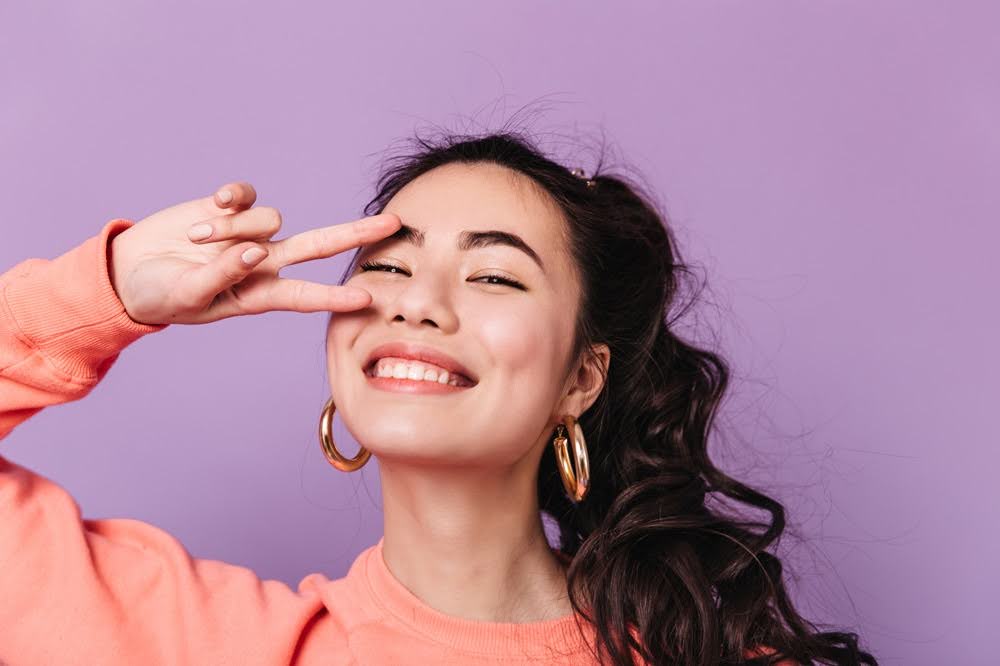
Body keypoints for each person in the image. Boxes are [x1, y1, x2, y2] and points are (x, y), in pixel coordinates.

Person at [0, 129, 877, 665]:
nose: (418, 300)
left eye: (494, 274)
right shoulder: (208, 642)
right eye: (387, 266)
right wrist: (108, 289)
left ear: (583, 378)